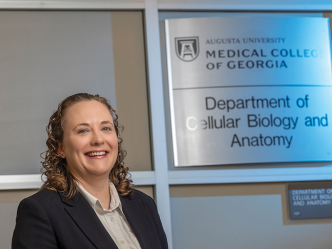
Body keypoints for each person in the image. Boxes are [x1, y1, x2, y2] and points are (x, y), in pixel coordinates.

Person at [12, 93, 168, 249]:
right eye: (83, 131)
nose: (98, 140)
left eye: (106, 128)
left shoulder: (144, 204)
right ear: (61, 148)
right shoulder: (40, 210)